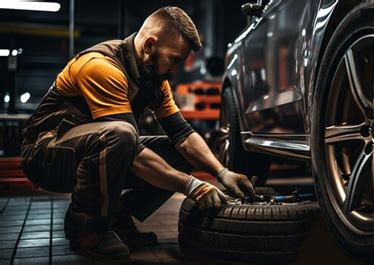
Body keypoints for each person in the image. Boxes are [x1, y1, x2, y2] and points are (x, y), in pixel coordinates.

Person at [19, 6, 257, 261]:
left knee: (179, 154)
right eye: (175, 59)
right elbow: (127, 147)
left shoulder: (154, 79)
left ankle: (117, 216)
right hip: (45, 155)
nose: (176, 69)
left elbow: (183, 135)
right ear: (149, 45)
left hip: (90, 148)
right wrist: (191, 186)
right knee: (120, 135)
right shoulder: (101, 66)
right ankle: (88, 229)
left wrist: (221, 172)